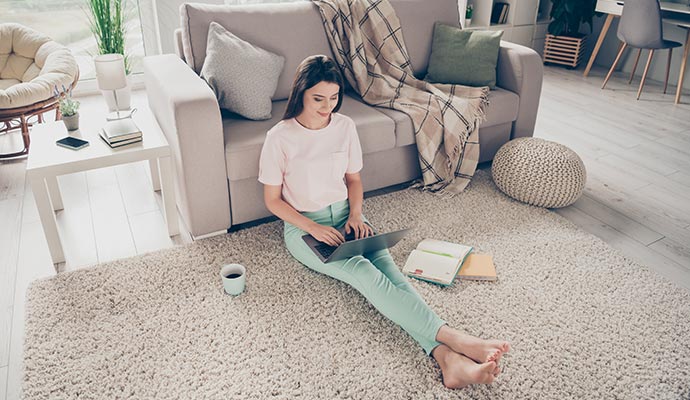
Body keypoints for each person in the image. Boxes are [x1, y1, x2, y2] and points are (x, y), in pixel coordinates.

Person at [258, 55, 510, 389]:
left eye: (333, 98)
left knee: (393, 276)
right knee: (364, 272)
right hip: (305, 229)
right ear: (301, 92)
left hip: (350, 218)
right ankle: (457, 340)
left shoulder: (344, 126)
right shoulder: (280, 137)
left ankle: (446, 359)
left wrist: (357, 215)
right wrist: (314, 227)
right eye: (318, 98)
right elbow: (272, 200)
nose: (326, 107)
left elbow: (354, 182)